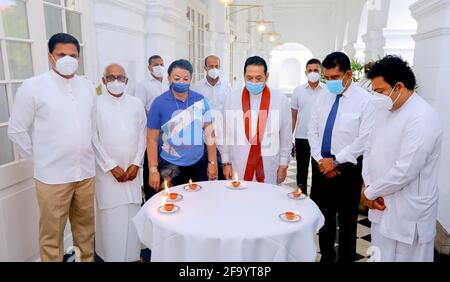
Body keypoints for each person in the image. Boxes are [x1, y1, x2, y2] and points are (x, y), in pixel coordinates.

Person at [7, 33, 96, 262]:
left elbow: (91, 125)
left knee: (86, 233)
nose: (68, 59)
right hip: (52, 177)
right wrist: (41, 158)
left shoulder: (87, 87)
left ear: (79, 57)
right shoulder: (33, 87)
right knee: (52, 237)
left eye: (73, 55)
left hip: (85, 172)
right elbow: (16, 129)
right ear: (50, 57)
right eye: (62, 55)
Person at [361, 55, 442, 262]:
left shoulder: (422, 117)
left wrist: (370, 192)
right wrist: (367, 185)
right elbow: (369, 149)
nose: (377, 96)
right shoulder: (385, 109)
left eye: (380, 91)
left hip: (407, 213)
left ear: (398, 86)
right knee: (380, 255)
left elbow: (405, 170)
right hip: (379, 202)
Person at [308, 51, 376, 262]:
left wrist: (335, 161)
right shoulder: (322, 96)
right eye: (326, 78)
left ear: (348, 75)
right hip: (321, 166)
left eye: (335, 78)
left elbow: (364, 139)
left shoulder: (365, 101)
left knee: (347, 222)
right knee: (323, 220)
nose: (330, 82)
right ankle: (326, 258)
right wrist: (321, 159)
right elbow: (313, 130)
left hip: (348, 169)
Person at [92, 64, 146, 262]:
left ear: (127, 81)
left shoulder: (136, 103)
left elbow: (142, 135)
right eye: (111, 77)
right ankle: (111, 258)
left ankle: (133, 256)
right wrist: (110, 166)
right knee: (111, 217)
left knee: (132, 214)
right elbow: (93, 138)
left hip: (132, 172)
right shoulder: (95, 104)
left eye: (120, 78)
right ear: (104, 80)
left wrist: (136, 163)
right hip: (107, 173)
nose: (116, 81)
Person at [147, 59, 218, 190]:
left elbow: (209, 132)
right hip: (170, 167)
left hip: (198, 163)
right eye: (177, 78)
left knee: (199, 202)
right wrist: (153, 170)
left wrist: (212, 162)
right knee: (172, 205)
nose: (181, 82)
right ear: (169, 78)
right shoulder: (159, 103)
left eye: (185, 79)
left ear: (191, 78)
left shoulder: (200, 100)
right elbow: (151, 139)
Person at [219, 56, 292, 184]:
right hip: (239, 163)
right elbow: (225, 132)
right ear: (243, 75)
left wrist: (283, 164)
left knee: (266, 201)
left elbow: (285, 135)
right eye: (249, 78)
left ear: (267, 76)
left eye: (258, 78)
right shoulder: (232, 98)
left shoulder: (280, 99)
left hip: (269, 165)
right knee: (240, 200)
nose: (253, 82)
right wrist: (226, 162)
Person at [134, 55, 169, 201]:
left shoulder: (169, 83)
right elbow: (139, 107)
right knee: (152, 165)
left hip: (169, 134)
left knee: (168, 168)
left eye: (161, 64)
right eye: (156, 64)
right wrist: (155, 116)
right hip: (153, 133)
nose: (159, 67)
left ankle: (168, 194)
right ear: (149, 68)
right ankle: (151, 199)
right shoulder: (143, 86)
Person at [192, 55, 233, 180]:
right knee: (206, 169)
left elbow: (230, 108)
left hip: (223, 134)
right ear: (205, 67)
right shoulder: (197, 87)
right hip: (205, 135)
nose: (214, 69)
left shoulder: (227, 85)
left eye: (216, 66)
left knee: (223, 168)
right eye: (211, 66)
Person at [291, 58, 327, 194]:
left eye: (316, 70)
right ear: (305, 72)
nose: (313, 73)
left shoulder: (327, 91)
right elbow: (293, 115)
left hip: (320, 138)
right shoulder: (298, 91)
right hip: (301, 136)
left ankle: (316, 201)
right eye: (310, 70)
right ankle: (301, 196)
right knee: (301, 170)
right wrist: (290, 137)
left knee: (318, 171)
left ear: (321, 72)